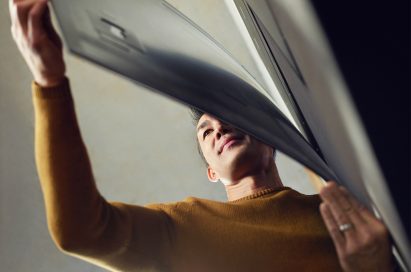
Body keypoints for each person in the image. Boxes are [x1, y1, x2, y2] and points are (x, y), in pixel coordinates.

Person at [9, 0, 395, 271]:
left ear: (269, 136)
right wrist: (50, 83)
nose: (219, 128)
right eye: (205, 131)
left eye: (225, 119)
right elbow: (79, 233)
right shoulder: (181, 227)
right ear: (211, 171)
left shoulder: (341, 211)